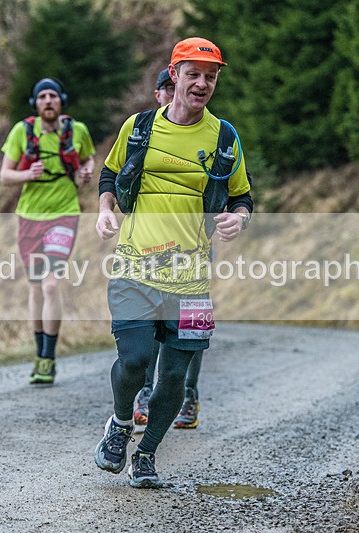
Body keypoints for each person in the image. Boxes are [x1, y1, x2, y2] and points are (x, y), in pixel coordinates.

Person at [94, 38, 253, 488]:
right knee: (137, 359)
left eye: (211, 76)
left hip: (191, 279)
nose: (202, 83)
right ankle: (121, 424)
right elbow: (110, 173)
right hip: (133, 268)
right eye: (194, 74)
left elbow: (243, 197)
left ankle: (145, 454)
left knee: (176, 378)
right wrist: (106, 209)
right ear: (175, 75)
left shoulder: (224, 137)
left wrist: (236, 220)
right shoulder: (140, 127)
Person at [0, 77, 95, 385]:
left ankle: (49, 358)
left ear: (61, 101)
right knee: (36, 287)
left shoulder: (76, 131)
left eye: (54, 95)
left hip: (64, 215)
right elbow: (4, 176)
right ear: (36, 104)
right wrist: (28, 173)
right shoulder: (22, 132)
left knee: (51, 285)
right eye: (43, 97)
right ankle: (39, 353)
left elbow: (88, 157)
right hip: (29, 216)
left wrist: (87, 169)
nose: (49, 101)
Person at [132, 68, 205, 432]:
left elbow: (239, 188)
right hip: (147, 252)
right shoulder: (144, 133)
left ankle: (187, 394)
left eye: (169, 86)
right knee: (151, 325)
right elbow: (117, 177)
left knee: (187, 330)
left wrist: (233, 217)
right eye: (162, 88)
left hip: (194, 251)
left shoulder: (213, 134)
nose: (165, 93)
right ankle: (146, 394)